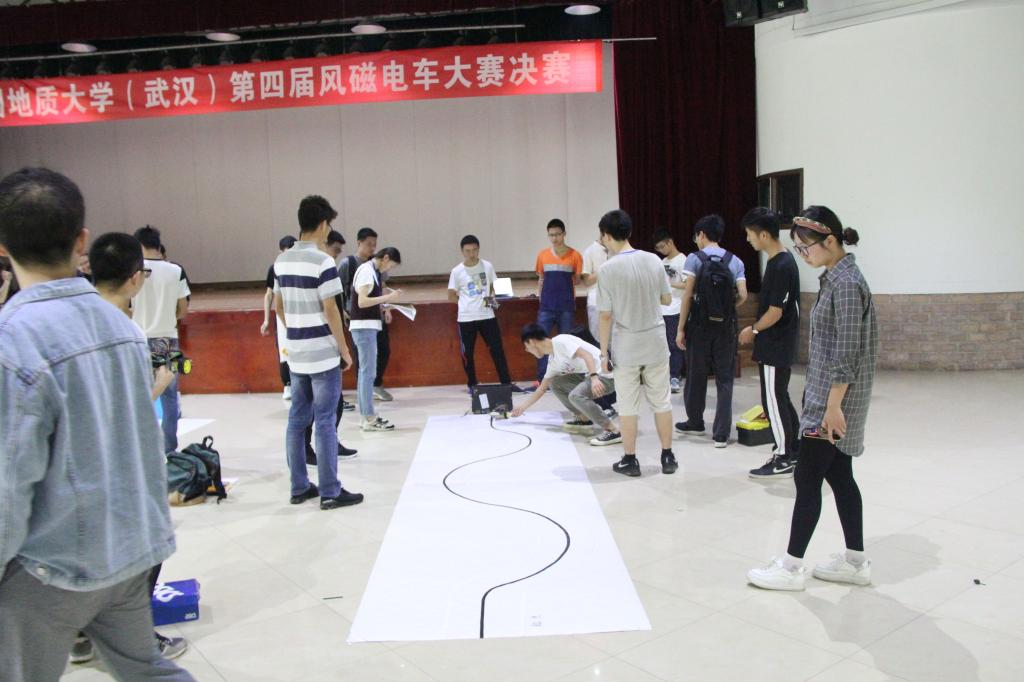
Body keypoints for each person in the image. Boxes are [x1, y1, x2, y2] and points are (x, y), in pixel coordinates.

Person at [0, 167, 193, 681]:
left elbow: (9, 480)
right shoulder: (121, 326)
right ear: (81, 240)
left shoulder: (14, 340)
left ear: (3, 246)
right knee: (147, 670)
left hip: (51, 566)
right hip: (128, 548)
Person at [747, 205, 878, 591]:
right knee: (840, 476)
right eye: (799, 248)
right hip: (828, 398)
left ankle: (790, 567)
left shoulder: (847, 284)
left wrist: (833, 406)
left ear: (831, 241)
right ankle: (856, 561)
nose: (803, 255)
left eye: (806, 247)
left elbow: (848, 352)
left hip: (833, 404)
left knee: (806, 478)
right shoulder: (836, 278)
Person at [85, 231, 189, 663]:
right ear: (135, 277)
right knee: (146, 549)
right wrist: (160, 384)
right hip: (121, 458)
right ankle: (137, 638)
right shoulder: (124, 332)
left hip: (83, 463)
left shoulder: (76, 319)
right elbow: (128, 406)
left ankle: (82, 636)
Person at [273, 195, 363, 511]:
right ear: (324, 224)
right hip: (323, 353)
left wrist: (296, 330)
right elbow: (331, 310)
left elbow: (278, 307)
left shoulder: (281, 261)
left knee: (297, 420)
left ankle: (299, 487)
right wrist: (344, 350)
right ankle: (330, 491)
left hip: (296, 352)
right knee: (324, 421)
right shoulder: (323, 262)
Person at [595, 209, 678, 476]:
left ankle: (630, 460)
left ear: (607, 236)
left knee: (628, 406)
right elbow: (666, 299)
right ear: (629, 232)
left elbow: (605, 315)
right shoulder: (653, 260)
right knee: (662, 401)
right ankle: (667, 456)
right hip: (655, 341)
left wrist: (603, 353)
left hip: (626, 345)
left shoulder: (607, 269)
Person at [738, 208, 802, 479]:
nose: (748, 240)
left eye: (750, 234)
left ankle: (783, 456)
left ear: (764, 235)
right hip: (776, 343)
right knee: (780, 397)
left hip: (776, 344)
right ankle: (794, 448)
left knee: (773, 400)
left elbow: (775, 312)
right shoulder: (779, 262)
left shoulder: (781, 265)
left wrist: (752, 329)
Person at [674, 214, 748, 448]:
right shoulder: (735, 261)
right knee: (725, 379)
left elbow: (687, 295)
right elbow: (743, 295)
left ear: (702, 234)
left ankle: (695, 422)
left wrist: (680, 328)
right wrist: (727, 309)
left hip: (699, 326)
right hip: (725, 328)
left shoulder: (694, 259)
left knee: (696, 375)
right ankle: (721, 434)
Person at [132, 225, 191, 453]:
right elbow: (183, 309)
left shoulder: (134, 271)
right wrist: (168, 318)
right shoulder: (176, 270)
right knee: (170, 397)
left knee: (142, 396)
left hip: (139, 339)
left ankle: (144, 449)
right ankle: (169, 449)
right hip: (169, 340)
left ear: (139, 245)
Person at [512, 325, 621, 446]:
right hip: (589, 376)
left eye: (526, 347)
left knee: (576, 396)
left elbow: (587, 356)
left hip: (605, 376)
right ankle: (584, 419)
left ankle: (613, 430)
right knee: (555, 383)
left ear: (531, 342)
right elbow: (542, 388)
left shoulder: (561, 340)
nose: (527, 351)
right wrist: (522, 408)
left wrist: (594, 378)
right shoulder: (553, 361)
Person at [448, 235, 521, 392]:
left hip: (487, 316)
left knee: (497, 349)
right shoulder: (456, 271)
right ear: (462, 251)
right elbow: (451, 295)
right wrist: (465, 304)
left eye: (474, 250)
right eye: (467, 251)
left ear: (478, 249)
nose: (471, 254)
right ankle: (472, 385)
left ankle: (506, 382)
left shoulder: (487, 266)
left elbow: (494, 288)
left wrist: (491, 302)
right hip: (466, 319)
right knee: (467, 353)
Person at [350, 246, 403, 432]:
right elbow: (362, 301)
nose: (389, 269)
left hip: (367, 326)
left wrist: (386, 304)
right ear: (385, 258)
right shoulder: (366, 271)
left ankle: (367, 415)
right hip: (363, 328)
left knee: (366, 373)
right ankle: (368, 417)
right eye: (391, 266)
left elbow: (367, 301)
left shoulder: (371, 271)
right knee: (367, 373)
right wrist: (387, 297)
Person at [339, 227, 394, 402]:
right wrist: (342, 311)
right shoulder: (348, 263)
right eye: (369, 244)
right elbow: (337, 290)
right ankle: (364, 392)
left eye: (374, 244)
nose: (372, 248)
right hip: (357, 316)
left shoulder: (377, 264)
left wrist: (387, 308)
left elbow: (383, 286)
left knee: (384, 350)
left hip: (376, 315)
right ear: (359, 243)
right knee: (361, 356)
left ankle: (376, 384)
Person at [533, 218, 583, 384]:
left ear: (564, 234)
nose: (554, 238)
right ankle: (542, 378)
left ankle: (565, 378)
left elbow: (577, 280)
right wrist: (541, 300)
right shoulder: (543, 255)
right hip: (546, 307)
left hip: (566, 306)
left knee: (566, 344)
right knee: (541, 341)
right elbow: (541, 279)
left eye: (557, 234)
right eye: (551, 235)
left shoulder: (575, 255)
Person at [324, 229, 356, 413]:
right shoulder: (322, 268)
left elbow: (334, 302)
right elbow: (328, 307)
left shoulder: (330, 267)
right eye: (335, 250)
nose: (337, 254)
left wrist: (342, 311)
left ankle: (338, 400)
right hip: (326, 334)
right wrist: (343, 349)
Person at [652, 228, 688, 394]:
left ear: (670, 242)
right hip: (661, 310)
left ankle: (675, 376)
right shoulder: (662, 262)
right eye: (657, 248)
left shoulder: (683, 260)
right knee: (662, 346)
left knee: (675, 345)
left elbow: (688, 284)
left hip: (676, 308)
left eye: (662, 246)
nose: (660, 250)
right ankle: (665, 376)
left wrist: (669, 284)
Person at [262, 235, 297, 400]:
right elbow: (269, 295)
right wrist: (266, 319)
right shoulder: (275, 269)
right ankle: (288, 384)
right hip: (283, 314)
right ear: (280, 252)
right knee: (285, 351)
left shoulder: (301, 268)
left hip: (299, 313)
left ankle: (302, 384)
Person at [580, 236, 608, 342]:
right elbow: (587, 281)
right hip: (597, 302)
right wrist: (606, 267)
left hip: (616, 302)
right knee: (597, 341)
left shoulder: (617, 250)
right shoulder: (589, 252)